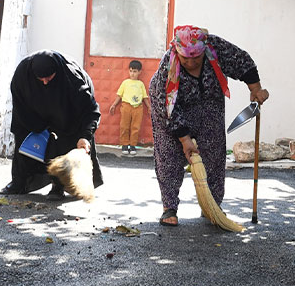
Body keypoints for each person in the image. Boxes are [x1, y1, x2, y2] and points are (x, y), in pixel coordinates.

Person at [148, 26, 269, 226]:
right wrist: (185, 139)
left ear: (204, 49)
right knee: (169, 156)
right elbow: (166, 105)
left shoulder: (216, 47)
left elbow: (242, 61)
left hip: (209, 104)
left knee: (214, 152)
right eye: (185, 58)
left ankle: (212, 204)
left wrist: (255, 88)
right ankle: (169, 207)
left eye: (195, 58)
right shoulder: (167, 66)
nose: (190, 62)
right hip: (171, 109)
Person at [0, 50, 103, 197]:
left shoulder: (73, 79)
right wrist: (36, 126)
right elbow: (20, 106)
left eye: (49, 77)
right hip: (34, 109)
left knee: (64, 141)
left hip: (68, 111)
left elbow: (90, 111)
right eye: (40, 79)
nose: (45, 82)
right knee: (24, 138)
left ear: (57, 71)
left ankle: (59, 185)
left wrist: (85, 136)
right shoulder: (23, 75)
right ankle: (19, 182)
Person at [108, 59, 151, 155]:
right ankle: (124, 144)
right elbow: (119, 95)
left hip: (138, 108)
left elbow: (144, 97)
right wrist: (114, 104)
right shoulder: (125, 83)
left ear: (140, 72)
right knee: (124, 126)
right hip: (126, 106)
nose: (132, 74)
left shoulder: (141, 84)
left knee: (135, 127)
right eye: (131, 71)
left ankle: (132, 145)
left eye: (135, 71)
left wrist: (149, 107)